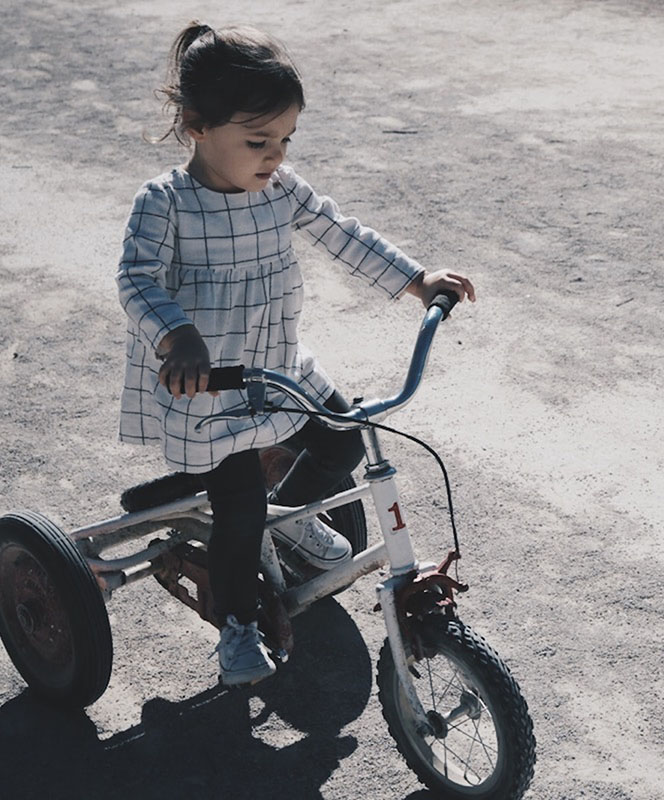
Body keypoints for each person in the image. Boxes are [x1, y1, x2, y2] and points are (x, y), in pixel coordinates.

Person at [116, 22, 475, 686]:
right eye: (257, 142)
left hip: (277, 362)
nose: (275, 156)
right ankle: (237, 625)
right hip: (207, 386)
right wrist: (179, 336)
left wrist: (414, 278)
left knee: (343, 441)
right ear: (197, 125)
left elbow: (338, 230)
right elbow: (136, 279)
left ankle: (290, 522)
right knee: (238, 504)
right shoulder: (164, 204)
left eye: (284, 140)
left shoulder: (280, 190)